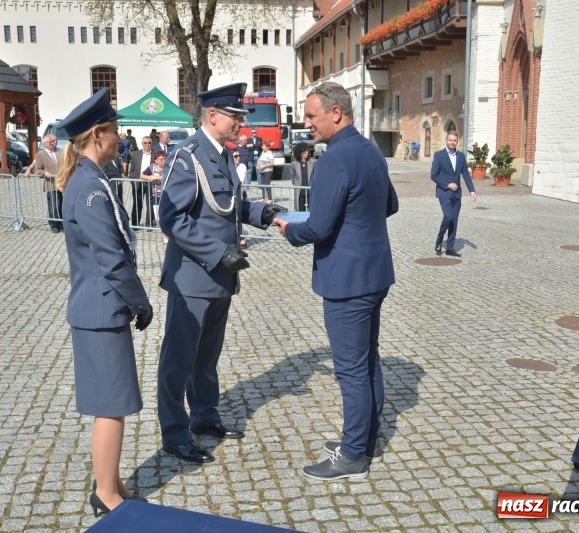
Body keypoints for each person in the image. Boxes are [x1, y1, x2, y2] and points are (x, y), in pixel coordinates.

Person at [273, 82, 399, 480]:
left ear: (336, 113)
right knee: (367, 360)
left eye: (311, 116)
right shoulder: (370, 151)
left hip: (348, 280)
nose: (306, 123)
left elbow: (318, 226)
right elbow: (390, 205)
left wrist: (288, 230)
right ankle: (365, 439)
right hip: (375, 272)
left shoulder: (334, 159)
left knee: (350, 368)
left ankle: (352, 456)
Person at [156, 82, 287, 464]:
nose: (241, 125)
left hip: (219, 278)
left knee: (206, 357)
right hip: (193, 277)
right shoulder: (187, 156)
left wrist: (262, 214)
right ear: (212, 116)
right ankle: (175, 434)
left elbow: (230, 205)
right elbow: (172, 219)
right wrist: (219, 253)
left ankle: (204, 415)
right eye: (235, 117)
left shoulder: (223, 156)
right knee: (178, 360)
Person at [55, 88, 153, 517]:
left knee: (113, 405)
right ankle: (105, 495)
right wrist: (140, 301)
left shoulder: (89, 180)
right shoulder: (90, 188)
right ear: (97, 136)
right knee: (111, 408)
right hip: (101, 309)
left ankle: (111, 483)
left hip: (98, 308)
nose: (120, 139)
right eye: (115, 132)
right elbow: (111, 258)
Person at [431, 130, 477, 257]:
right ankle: (439, 240)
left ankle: (450, 248)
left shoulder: (461, 156)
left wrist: (472, 191)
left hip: (457, 194)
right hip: (444, 193)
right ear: (446, 140)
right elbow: (433, 175)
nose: (452, 142)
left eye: (454, 140)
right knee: (448, 216)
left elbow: (466, 174)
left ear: (457, 141)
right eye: (450, 140)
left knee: (454, 221)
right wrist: (447, 185)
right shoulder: (439, 155)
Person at [32, 134, 64, 233]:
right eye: (51, 142)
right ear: (45, 144)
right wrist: (44, 173)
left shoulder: (59, 151)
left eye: (55, 141)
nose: (54, 143)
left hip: (62, 183)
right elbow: (37, 170)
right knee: (53, 205)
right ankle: (54, 224)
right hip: (51, 184)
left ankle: (62, 223)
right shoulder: (40, 155)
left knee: (62, 204)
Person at [128, 136, 154, 227]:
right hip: (138, 183)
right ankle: (135, 224)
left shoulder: (155, 154)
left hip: (150, 183)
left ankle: (149, 224)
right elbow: (132, 169)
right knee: (137, 203)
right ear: (142, 144)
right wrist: (133, 180)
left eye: (149, 143)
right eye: (145, 143)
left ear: (151, 144)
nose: (147, 145)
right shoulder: (136, 154)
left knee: (150, 205)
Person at [142, 150, 167, 242]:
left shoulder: (168, 167)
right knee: (158, 217)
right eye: (161, 159)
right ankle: (165, 233)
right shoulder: (152, 167)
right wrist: (149, 177)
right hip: (156, 195)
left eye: (165, 158)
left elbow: (169, 177)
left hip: (167, 195)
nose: (163, 160)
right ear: (156, 160)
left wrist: (156, 178)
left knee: (166, 216)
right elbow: (141, 175)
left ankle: (167, 236)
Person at [289, 142, 314, 211]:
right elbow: (292, 175)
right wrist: (295, 183)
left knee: (311, 210)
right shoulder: (294, 164)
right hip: (299, 191)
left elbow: (315, 174)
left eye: (307, 150)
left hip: (310, 190)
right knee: (300, 210)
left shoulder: (312, 162)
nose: (307, 152)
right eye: (304, 151)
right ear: (299, 152)